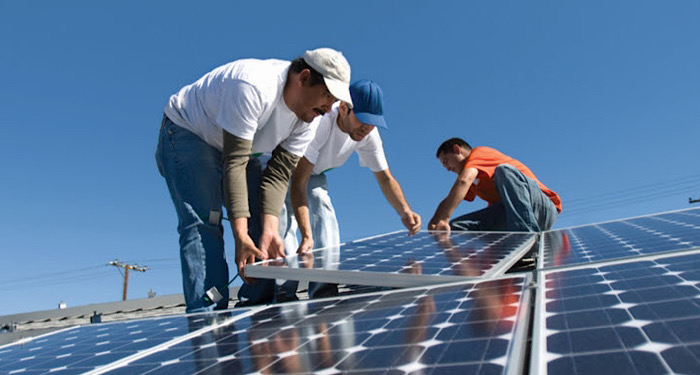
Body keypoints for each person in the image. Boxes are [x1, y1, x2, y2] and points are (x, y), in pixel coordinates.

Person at [156, 48, 353, 313]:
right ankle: (208, 318)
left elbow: (279, 174)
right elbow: (234, 162)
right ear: (304, 78)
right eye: (327, 95)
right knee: (207, 219)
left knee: (263, 228)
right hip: (190, 131)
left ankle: (258, 306)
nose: (329, 107)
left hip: (240, 149)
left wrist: (270, 230)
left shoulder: (310, 118)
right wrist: (239, 235)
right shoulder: (253, 85)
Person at [287, 79, 421, 299]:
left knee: (322, 208)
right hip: (285, 169)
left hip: (314, 174)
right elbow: (299, 181)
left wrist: (404, 211)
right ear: (342, 108)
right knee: (286, 224)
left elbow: (385, 179)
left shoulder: (368, 135)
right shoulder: (321, 122)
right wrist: (307, 234)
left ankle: (324, 290)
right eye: (363, 120)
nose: (367, 128)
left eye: (373, 122)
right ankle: (281, 291)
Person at [428, 138, 561, 233]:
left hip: (539, 206)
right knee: (456, 227)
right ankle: (494, 259)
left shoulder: (479, 154)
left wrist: (444, 218)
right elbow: (450, 199)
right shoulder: (471, 180)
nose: (447, 168)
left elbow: (463, 181)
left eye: (446, 161)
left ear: (457, 150)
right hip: (510, 215)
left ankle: (526, 240)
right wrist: (434, 224)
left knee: (504, 171)